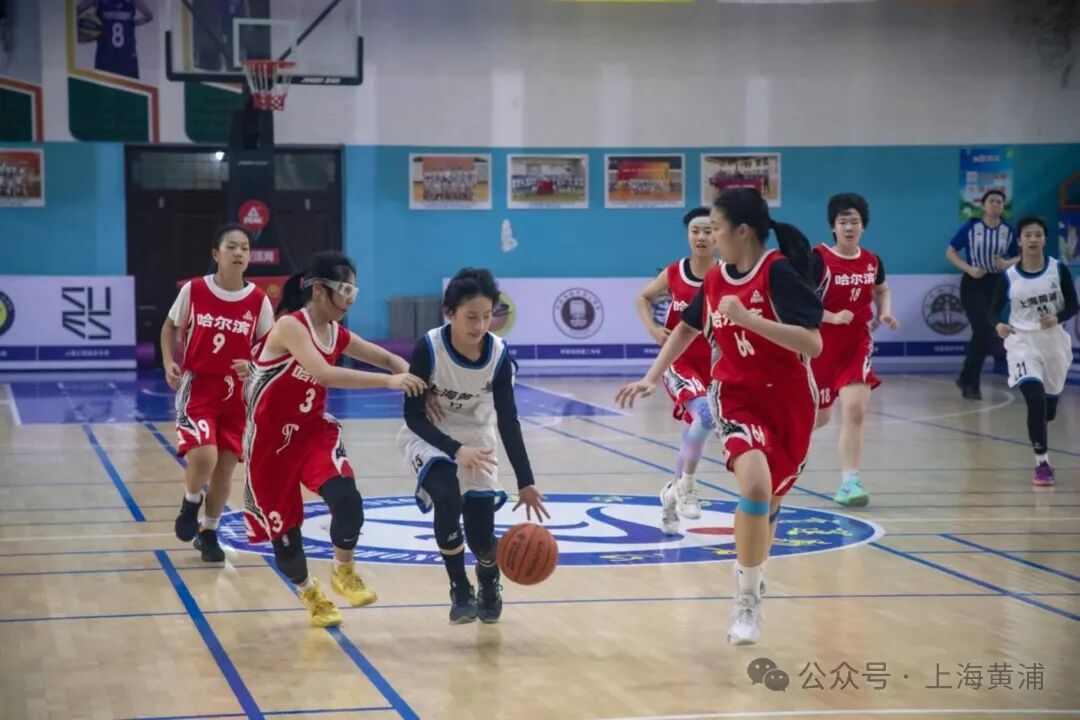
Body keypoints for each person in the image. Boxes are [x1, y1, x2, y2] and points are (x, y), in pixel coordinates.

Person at [616, 188, 823, 646]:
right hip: (735, 396)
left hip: (788, 403)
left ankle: (753, 575)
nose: (710, 237)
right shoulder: (713, 281)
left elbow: (812, 344)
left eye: (716, 229)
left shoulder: (779, 273)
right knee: (755, 486)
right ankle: (746, 600)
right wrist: (651, 377)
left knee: (770, 503)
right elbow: (685, 329)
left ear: (742, 232)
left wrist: (750, 320)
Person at [243, 250, 426, 627]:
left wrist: (420, 385)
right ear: (318, 289)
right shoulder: (291, 326)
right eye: (345, 291)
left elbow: (389, 359)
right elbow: (324, 374)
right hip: (269, 444)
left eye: (354, 292)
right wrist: (390, 382)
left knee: (348, 502)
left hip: (312, 433)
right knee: (287, 540)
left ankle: (343, 571)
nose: (350, 300)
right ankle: (308, 591)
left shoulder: (337, 333)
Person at [398, 267, 549, 624]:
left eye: (486, 316)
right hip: (431, 435)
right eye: (471, 317)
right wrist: (454, 449)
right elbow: (413, 416)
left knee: (482, 537)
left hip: (477, 435)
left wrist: (525, 481)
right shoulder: (429, 347)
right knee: (447, 497)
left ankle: (488, 575)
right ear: (450, 313)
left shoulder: (498, 355)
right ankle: (460, 587)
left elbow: (508, 420)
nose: (479, 325)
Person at [162, 224, 273, 562]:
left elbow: (269, 349)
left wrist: (252, 366)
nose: (239, 253)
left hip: (238, 395)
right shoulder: (195, 290)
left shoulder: (258, 300)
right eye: (232, 247)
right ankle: (190, 501)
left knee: (225, 468)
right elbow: (170, 326)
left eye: (245, 248)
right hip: (200, 387)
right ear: (216, 254)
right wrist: (168, 361)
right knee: (205, 455)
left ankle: (209, 531)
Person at [634, 207, 720, 533]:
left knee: (699, 426)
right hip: (679, 362)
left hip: (716, 365)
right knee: (706, 416)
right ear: (687, 235)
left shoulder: (726, 274)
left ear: (718, 235)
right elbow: (643, 298)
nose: (702, 237)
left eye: (708, 231)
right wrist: (654, 330)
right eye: (696, 231)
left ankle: (671, 493)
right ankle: (688, 487)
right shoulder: (675, 272)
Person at [810, 193, 898, 507]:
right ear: (833, 226)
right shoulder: (818, 259)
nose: (849, 227)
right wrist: (831, 316)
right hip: (818, 347)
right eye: (843, 222)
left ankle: (850, 482)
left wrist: (884, 311)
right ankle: (776, 448)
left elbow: (882, 289)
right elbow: (800, 304)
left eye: (855, 222)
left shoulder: (872, 261)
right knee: (818, 419)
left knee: (855, 410)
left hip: (856, 345)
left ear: (863, 226)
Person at [991, 217, 1078, 486]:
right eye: (1028, 235)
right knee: (1035, 400)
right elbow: (992, 309)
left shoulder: (1057, 269)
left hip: (1053, 343)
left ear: (1044, 239)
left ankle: (1043, 422)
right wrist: (998, 324)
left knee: (1047, 411)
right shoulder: (1009, 276)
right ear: (1019, 240)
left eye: (1038, 235)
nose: (1033, 239)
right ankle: (1042, 463)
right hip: (1022, 343)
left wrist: (1057, 317)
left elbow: (1073, 305)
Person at [946, 189, 1017, 399]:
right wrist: (969, 269)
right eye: (992, 201)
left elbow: (1019, 257)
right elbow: (950, 251)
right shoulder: (972, 227)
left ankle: (966, 378)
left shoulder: (1008, 231)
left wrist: (1006, 263)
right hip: (974, 283)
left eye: (999, 202)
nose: (996, 204)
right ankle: (971, 382)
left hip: (997, 284)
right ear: (984, 205)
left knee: (986, 332)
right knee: (983, 328)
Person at [76, 0, 154, 80]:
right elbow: (149, 16)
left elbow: (74, 12)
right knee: (129, 85)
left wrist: (84, 27)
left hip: (106, 53)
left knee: (105, 85)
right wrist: (130, 24)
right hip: (127, 54)